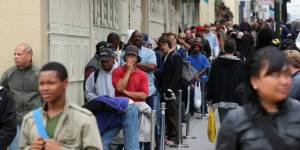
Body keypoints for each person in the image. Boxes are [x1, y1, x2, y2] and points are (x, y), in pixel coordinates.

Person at [216, 47, 300, 149]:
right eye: (274, 75)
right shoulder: (236, 121)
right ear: (255, 81)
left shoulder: (297, 113)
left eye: (286, 75)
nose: (284, 81)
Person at [20, 62, 103, 150]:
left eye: (51, 83)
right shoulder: (30, 120)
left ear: (65, 83)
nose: (45, 88)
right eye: (41, 84)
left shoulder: (84, 118)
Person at [1, 43, 42, 150]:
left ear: (29, 56)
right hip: (15, 121)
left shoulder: (40, 74)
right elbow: (2, 96)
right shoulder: (8, 74)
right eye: (14, 54)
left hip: (35, 120)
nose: (15, 57)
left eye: (19, 54)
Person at [206, 38, 246, 122]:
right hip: (235, 99)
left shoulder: (216, 63)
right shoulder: (240, 64)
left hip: (220, 99)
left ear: (224, 48)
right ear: (235, 48)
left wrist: (209, 98)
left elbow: (211, 81)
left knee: (223, 124)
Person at [156, 35, 183, 145]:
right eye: (161, 45)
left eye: (164, 45)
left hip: (172, 92)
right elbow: (164, 73)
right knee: (168, 115)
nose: (162, 47)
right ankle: (171, 137)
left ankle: (176, 138)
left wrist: (170, 89)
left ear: (169, 45)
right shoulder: (165, 56)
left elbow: (177, 75)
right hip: (165, 91)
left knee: (173, 116)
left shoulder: (175, 56)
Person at [187, 39, 210, 115]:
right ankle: (191, 111)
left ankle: (204, 111)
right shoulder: (189, 57)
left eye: (198, 47)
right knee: (191, 95)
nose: (196, 48)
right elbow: (188, 67)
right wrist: (193, 76)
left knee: (202, 94)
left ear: (200, 48)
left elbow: (205, 67)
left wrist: (198, 74)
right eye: (195, 47)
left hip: (202, 78)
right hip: (192, 78)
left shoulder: (203, 57)